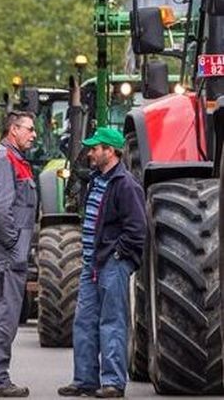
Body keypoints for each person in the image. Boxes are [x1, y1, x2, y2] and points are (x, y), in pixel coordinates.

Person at [58, 127, 146, 398]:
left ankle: (112, 383)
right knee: (84, 321)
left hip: (111, 264)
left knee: (112, 322)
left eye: (96, 148)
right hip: (92, 264)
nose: (91, 153)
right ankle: (84, 380)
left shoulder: (126, 185)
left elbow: (137, 229)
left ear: (111, 151)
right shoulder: (97, 180)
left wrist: (118, 255)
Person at [0, 111, 37, 397]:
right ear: (13, 130)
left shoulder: (13, 159)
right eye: (29, 129)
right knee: (3, 314)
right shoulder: (4, 159)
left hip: (8, 249)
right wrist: (14, 243)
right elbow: (0, 210)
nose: (34, 134)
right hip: (6, 250)